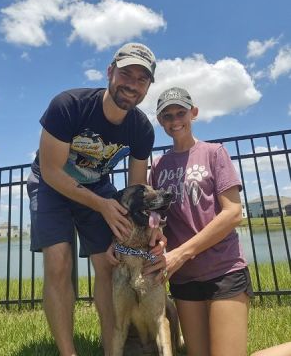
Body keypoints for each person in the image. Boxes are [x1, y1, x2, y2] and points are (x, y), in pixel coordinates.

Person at [27, 42, 164, 356]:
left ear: (147, 87)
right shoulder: (69, 105)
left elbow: (137, 189)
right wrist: (101, 205)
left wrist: (136, 231)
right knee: (59, 261)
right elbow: (51, 170)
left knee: (107, 262)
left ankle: (110, 347)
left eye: (141, 79)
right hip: (51, 183)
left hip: (98, 185)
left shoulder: (142, 129)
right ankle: (68, 352)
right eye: (125, 73)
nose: (132, 84)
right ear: (110, 72)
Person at [144, 87, 254, 356]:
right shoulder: (158, 167)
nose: (174, 120)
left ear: (194, 113)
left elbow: (232, 213)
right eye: (167, 116)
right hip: (184, 278)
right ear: (160, 121)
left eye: (180, 112)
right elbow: (155, 219)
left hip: (223, 269)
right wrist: (155, 236)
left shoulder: (214, 153)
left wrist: (180, 253)